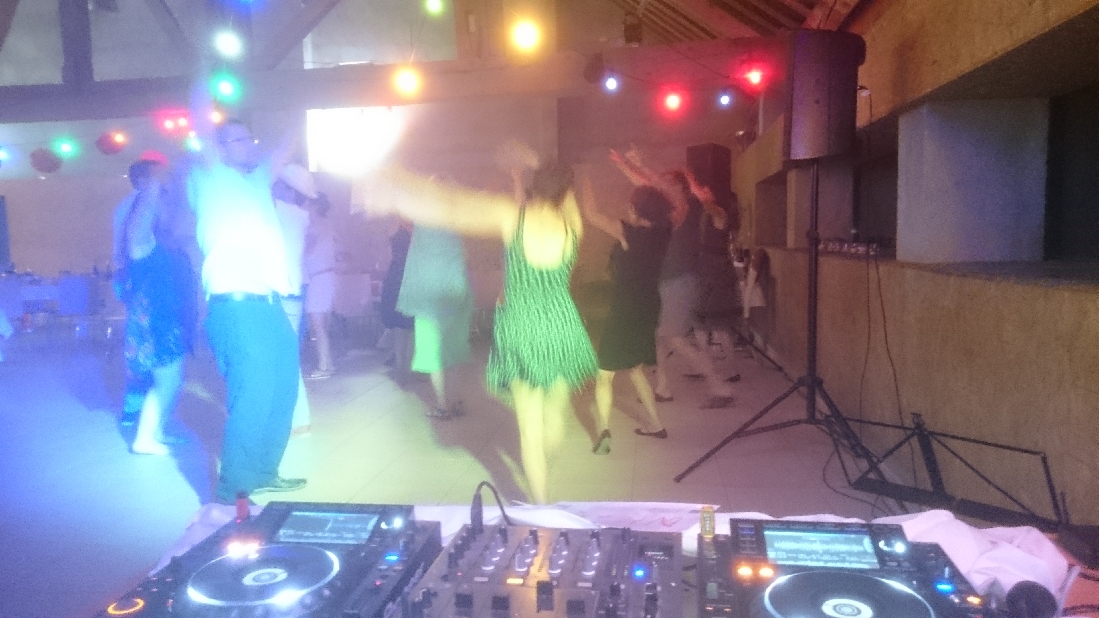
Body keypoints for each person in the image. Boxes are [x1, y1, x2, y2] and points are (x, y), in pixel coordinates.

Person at [360, 145, 598, 504]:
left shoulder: (512, 218)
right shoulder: (572, 226)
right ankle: (545, 469)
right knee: (555, 419)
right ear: (566, 193)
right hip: (561, 323)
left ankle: (541, 503)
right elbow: (568, 201)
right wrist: (560, 176)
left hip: (522, 325)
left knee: (530, 430)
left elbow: (457, 209)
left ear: (534, 187)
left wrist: (401, 182)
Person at [186, 69, 306, 504]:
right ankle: (232, 490)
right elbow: (202, 123)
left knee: (282, 390)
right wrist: (203, 75)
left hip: (269, 304)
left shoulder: (256, 181)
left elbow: (284, 147)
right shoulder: (209, 177)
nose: (249, 146)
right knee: (252, 396)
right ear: (218, 149)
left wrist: (298, 103)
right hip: (234, 306)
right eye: (238, 140)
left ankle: (264, 472)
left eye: (250, 139)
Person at [577, 167, 672, 454]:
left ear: (636, 210)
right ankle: (656, 425)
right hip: (648, 307)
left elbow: (591, 214)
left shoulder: (629, 233)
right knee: (635, 369)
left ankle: (604, 432)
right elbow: (657, 198)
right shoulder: (664, 230)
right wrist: (639, 176)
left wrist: (585, 176)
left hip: (625, 308)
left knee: (604, 374)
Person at [117, 156, 194, 455]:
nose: (167, 206)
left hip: (168, 322)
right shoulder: (142, 243)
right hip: (154, 325)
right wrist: (153, 185)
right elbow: (141, 219)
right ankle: (144, 439)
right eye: (162, 200)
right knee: (166, 382)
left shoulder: (163, 245)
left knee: (173, 380)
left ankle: (157, 431)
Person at [651, 170, 736, 408]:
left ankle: (719, 385)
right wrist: (629, 165)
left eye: (669, 183)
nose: (663, 186)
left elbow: (710, 207)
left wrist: (694, 185)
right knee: (660, 336)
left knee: (675, 338)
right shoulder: (671, 211)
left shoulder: (699, 211)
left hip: (681, 281)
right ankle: (662, 387)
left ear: (681, 188)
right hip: (669, 280)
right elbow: (650, 183)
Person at [112, 150, 170, 426]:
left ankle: (135, 408)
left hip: (132, 279)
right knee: (153, 344)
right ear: (144, 179)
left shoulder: (124, 206)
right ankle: (146, 413)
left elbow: (118, 248)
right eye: (157, 175)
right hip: (147, 281)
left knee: (139, 343)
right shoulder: (145, 205)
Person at [396, 224, 474, 418]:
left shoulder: (423, 229)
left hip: (428, 296)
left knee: (433, 352)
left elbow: (414, 266)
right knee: (454, 349)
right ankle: (457, 401)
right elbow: (466, 258)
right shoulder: (455, 224)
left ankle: (442, 405)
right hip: (456, 292)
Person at [272, 163, 318, 434]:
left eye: (278, 184)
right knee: (288, 356)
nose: (274, 188)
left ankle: (297, 418)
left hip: (281, 292)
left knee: (282, 358)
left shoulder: (278, 211)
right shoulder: (301, 215)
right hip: (294, 291)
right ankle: (299, 418)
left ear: (288, 190)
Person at [303, 193, 337, 379]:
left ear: (315, 206)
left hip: (318, 279)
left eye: (308, 202)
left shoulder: (315, 227)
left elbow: (306, 252)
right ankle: (328, 363)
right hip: (327, 277)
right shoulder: (327, 224)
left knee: (317, 326)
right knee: (322, 325)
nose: (304, 205)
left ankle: (324, 366)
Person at [377, 219, 415, 384]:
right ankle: (403, 368)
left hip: (402, 277)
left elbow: (385, 254)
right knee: (406, 325)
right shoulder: (402, 227)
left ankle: (402, 368)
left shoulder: (399, 227)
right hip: (406, 277)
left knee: (404, 325)